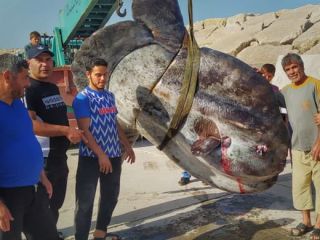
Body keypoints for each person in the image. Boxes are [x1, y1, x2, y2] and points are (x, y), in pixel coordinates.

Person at [24, 45, 86, 238]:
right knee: (41, 207)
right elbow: (31, 125)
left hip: (59, 157)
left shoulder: (51, 87)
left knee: (55, 204)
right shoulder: (29, 90)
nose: (45, 64)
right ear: (29, 63)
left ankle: (51, 233)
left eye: (48, 60)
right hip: (43, 159)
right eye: (39, 60)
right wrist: (66, 130)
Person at [72, 58, 135, 240]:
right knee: (85, 203)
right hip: (91, 158)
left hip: (114, 155)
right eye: (98, 75)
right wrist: (101, 155)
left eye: (104, 74)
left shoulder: (109, 96)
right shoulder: (83, 99)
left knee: (110, 196)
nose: (102, 79)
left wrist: (127, 145)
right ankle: (81, 237)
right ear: (88, 75)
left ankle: (100, 233)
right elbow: (85, 130)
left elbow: (114, 123)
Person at [0, 53, 59, 240]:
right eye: (25, 77)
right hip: (7, 198)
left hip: (33, 191)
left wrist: (41, 176)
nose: (28, 83)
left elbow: (28, 140)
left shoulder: (17, 105)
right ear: (7, 76)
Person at [280, 53, 320, 239]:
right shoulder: (285, 92)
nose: (292, 72)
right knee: (300, 187)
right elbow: (271, 106)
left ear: (302, 66)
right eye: (288, 69)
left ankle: (319, 224)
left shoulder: (315, 84)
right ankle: (306, 222)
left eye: (294, 67)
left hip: (317, 146)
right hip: (296, 148)